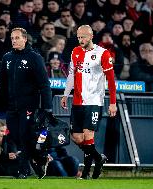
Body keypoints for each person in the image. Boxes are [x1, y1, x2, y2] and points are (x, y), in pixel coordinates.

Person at [0, 27, 53, 178]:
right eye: (12, 38)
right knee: (14, 136)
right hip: (12, 106)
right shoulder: (7, 58)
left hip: (29, 105)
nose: (14, 41)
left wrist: (48, 108)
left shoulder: (34, 58)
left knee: (25, 136)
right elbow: (1, 83)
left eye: (17, 38)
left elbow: (44, 85)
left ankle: (24, 170)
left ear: (25, 39)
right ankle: (39, 159)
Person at [60, 25, 117, 179]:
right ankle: (99, 158)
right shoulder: (75, 52)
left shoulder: (102, 53)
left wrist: (112, 102)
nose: (80, 40)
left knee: (87, 135)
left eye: (83, 37)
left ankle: (85, 173)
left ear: (91, 36)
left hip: (94, 101)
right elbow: (71, 75)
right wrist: (65, 94)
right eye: (78, 37)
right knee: (77, 138)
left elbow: (111, 80)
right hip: (77, 101)